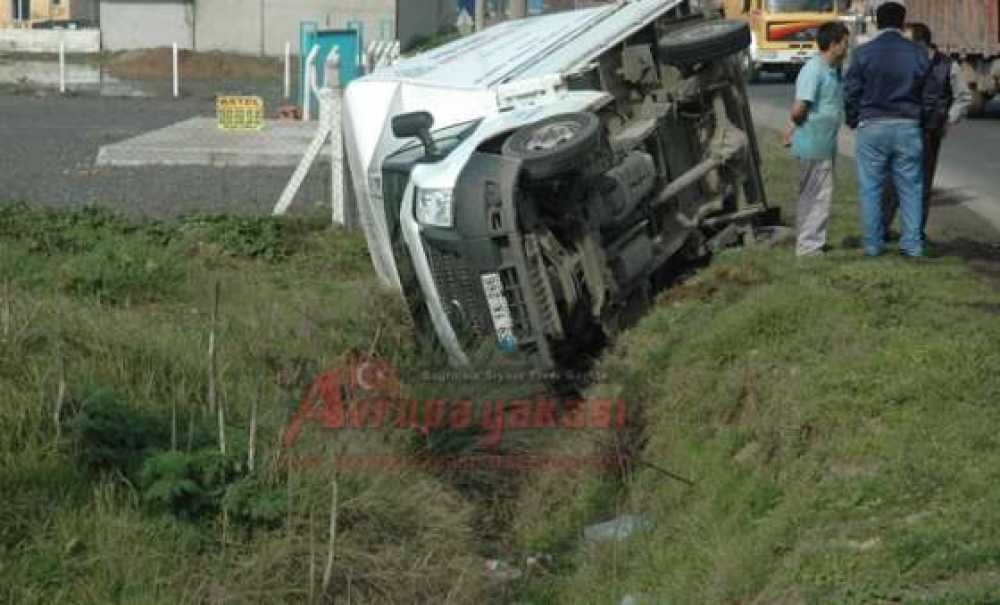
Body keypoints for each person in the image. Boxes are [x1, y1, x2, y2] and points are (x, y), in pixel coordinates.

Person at [845, 0, 938, 258]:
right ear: (902, 23)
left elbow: (851, 91)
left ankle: (873, 245)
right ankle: (912, 244)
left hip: (872, 125)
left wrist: (853, 118)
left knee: (871, 187)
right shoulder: (919, 53)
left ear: (876, 21)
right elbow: (931, 94)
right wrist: (925, 122)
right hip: (908, 125)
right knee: (910, 187)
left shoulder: (863, 53)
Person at [882, 21, 972, 239]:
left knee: (921, 185)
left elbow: (963, 98)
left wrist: (947, 120)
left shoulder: (948, 66)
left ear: (921, 43)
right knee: (891, 182)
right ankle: (880, 229)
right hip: (901, 129)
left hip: (929, 133)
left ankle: (914, 234)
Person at [784, 21, 852, 257]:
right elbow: (799, 108)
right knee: (817, 197)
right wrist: (796, 126)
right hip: (813, 145)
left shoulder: (832, 69)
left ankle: (809, 242)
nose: (847, 48)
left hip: (823, 145)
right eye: (845, 43)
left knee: (815, 195)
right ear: (833, 45)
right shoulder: (814, 70)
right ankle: (809, 247)